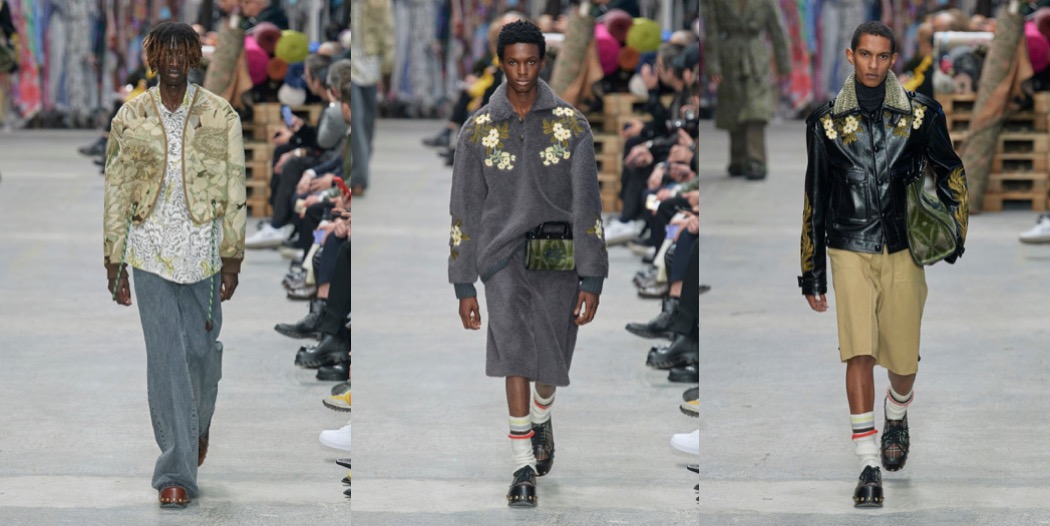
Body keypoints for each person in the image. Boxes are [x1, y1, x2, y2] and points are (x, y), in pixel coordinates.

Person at [798, 21, 967, 508]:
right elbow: (815, 197)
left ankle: (897, 410)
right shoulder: (825, 122)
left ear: (893, 59)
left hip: (903, 248)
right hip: (848, 244)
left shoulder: (921, 115)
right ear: (851, 56)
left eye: (882, 56)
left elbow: (951, 171)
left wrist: (953, 229)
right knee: (859, 351)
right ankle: (867, 463)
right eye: (865, 54)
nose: (873, 64)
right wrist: (812, 270)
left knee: (903, 360)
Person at [448, 19, 608, 508]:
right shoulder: (478, 130)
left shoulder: (571, 125)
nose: (522, 72)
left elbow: (588, 204)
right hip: (500, 256)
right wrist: (463, 283)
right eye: (513, 62)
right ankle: (522, 465)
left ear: (543, 62)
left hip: (557, 251)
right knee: (515, 350)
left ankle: (541, 415)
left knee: (551, 355)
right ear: (500, 63)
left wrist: (593, 275)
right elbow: (464, 208)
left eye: (531, 62)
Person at [103, 21, 246, 509]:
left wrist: (233, 254)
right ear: (152, 58)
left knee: (201, 356)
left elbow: (235, 185)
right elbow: (116, 188)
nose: (173, 60)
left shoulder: (220, 114)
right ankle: (175, 471)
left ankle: (196, 425)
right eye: (164, 52)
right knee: (166, 359)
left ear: (193, 58)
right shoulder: (131, 116)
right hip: (147, 249)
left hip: (204, 250)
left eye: (181, 51)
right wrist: (114, 257)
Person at [700, 0, 789, 180]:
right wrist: (713, 66)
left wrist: (783, 64)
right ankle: (738, 157)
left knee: (756, 109)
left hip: (756, 58)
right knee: (734, 107)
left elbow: (777, 29)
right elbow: (711, 31)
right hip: (729, 59)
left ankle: (756, 159)